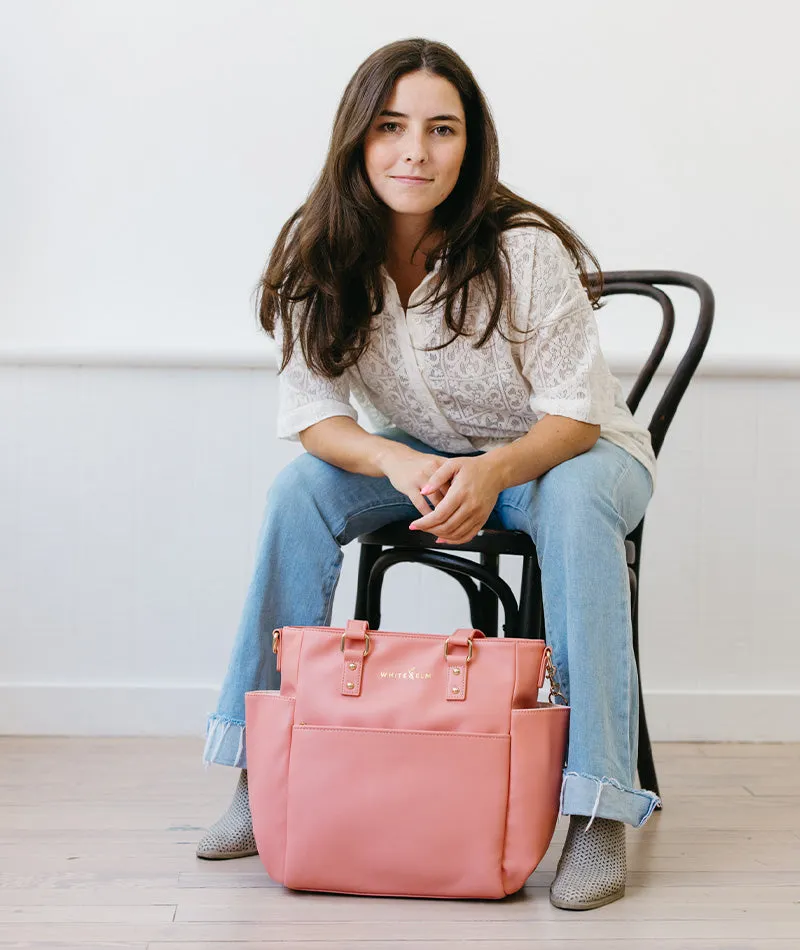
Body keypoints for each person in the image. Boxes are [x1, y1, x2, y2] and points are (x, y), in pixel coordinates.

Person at [196, 37, 660, 911]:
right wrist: (396, 459)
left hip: (567, 457)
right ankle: (264, 773)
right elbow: (312, 413)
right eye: (392, 126)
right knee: (297, 492)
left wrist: (494, 473)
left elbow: (574, 415)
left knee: (574, 495)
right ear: (357, 141)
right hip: (420, 462)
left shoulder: (523, 250)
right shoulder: (323, 251)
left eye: (441, 129)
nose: (416, 151)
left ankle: (598, 808)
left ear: (471, 144)